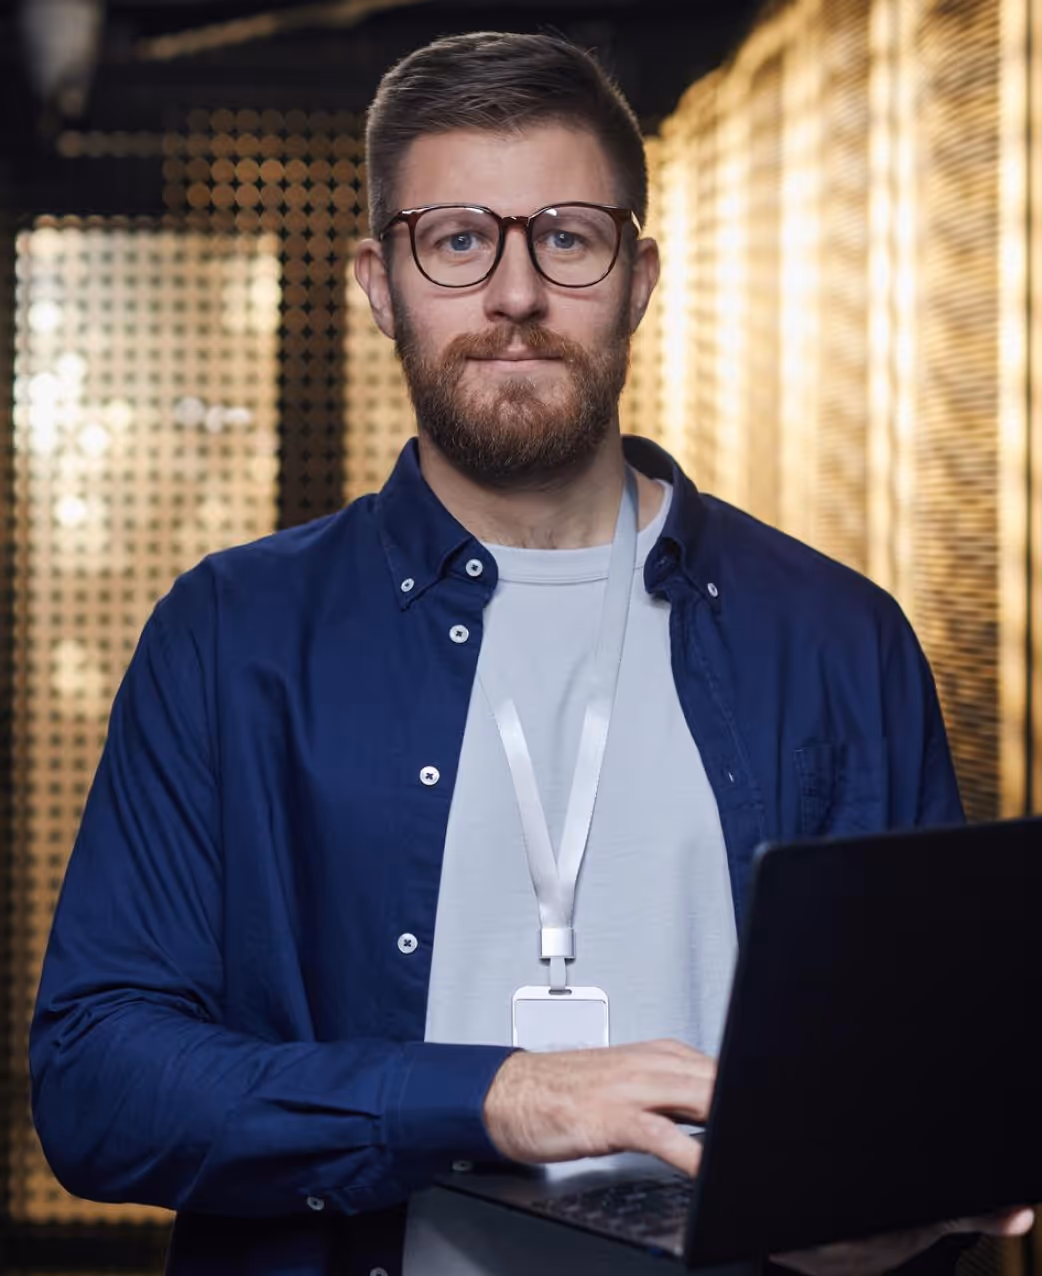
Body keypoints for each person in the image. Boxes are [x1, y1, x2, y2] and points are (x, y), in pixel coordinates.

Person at [29, 29, 1032, 1276]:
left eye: (566, 236)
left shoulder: (839, 637)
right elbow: (97, 1080)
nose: (514, 293)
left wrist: (873, 1215)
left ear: (639, 274)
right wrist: (489, 1095)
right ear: (378, 282)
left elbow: (912, 1080)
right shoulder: (231, 638)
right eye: (457, 239)